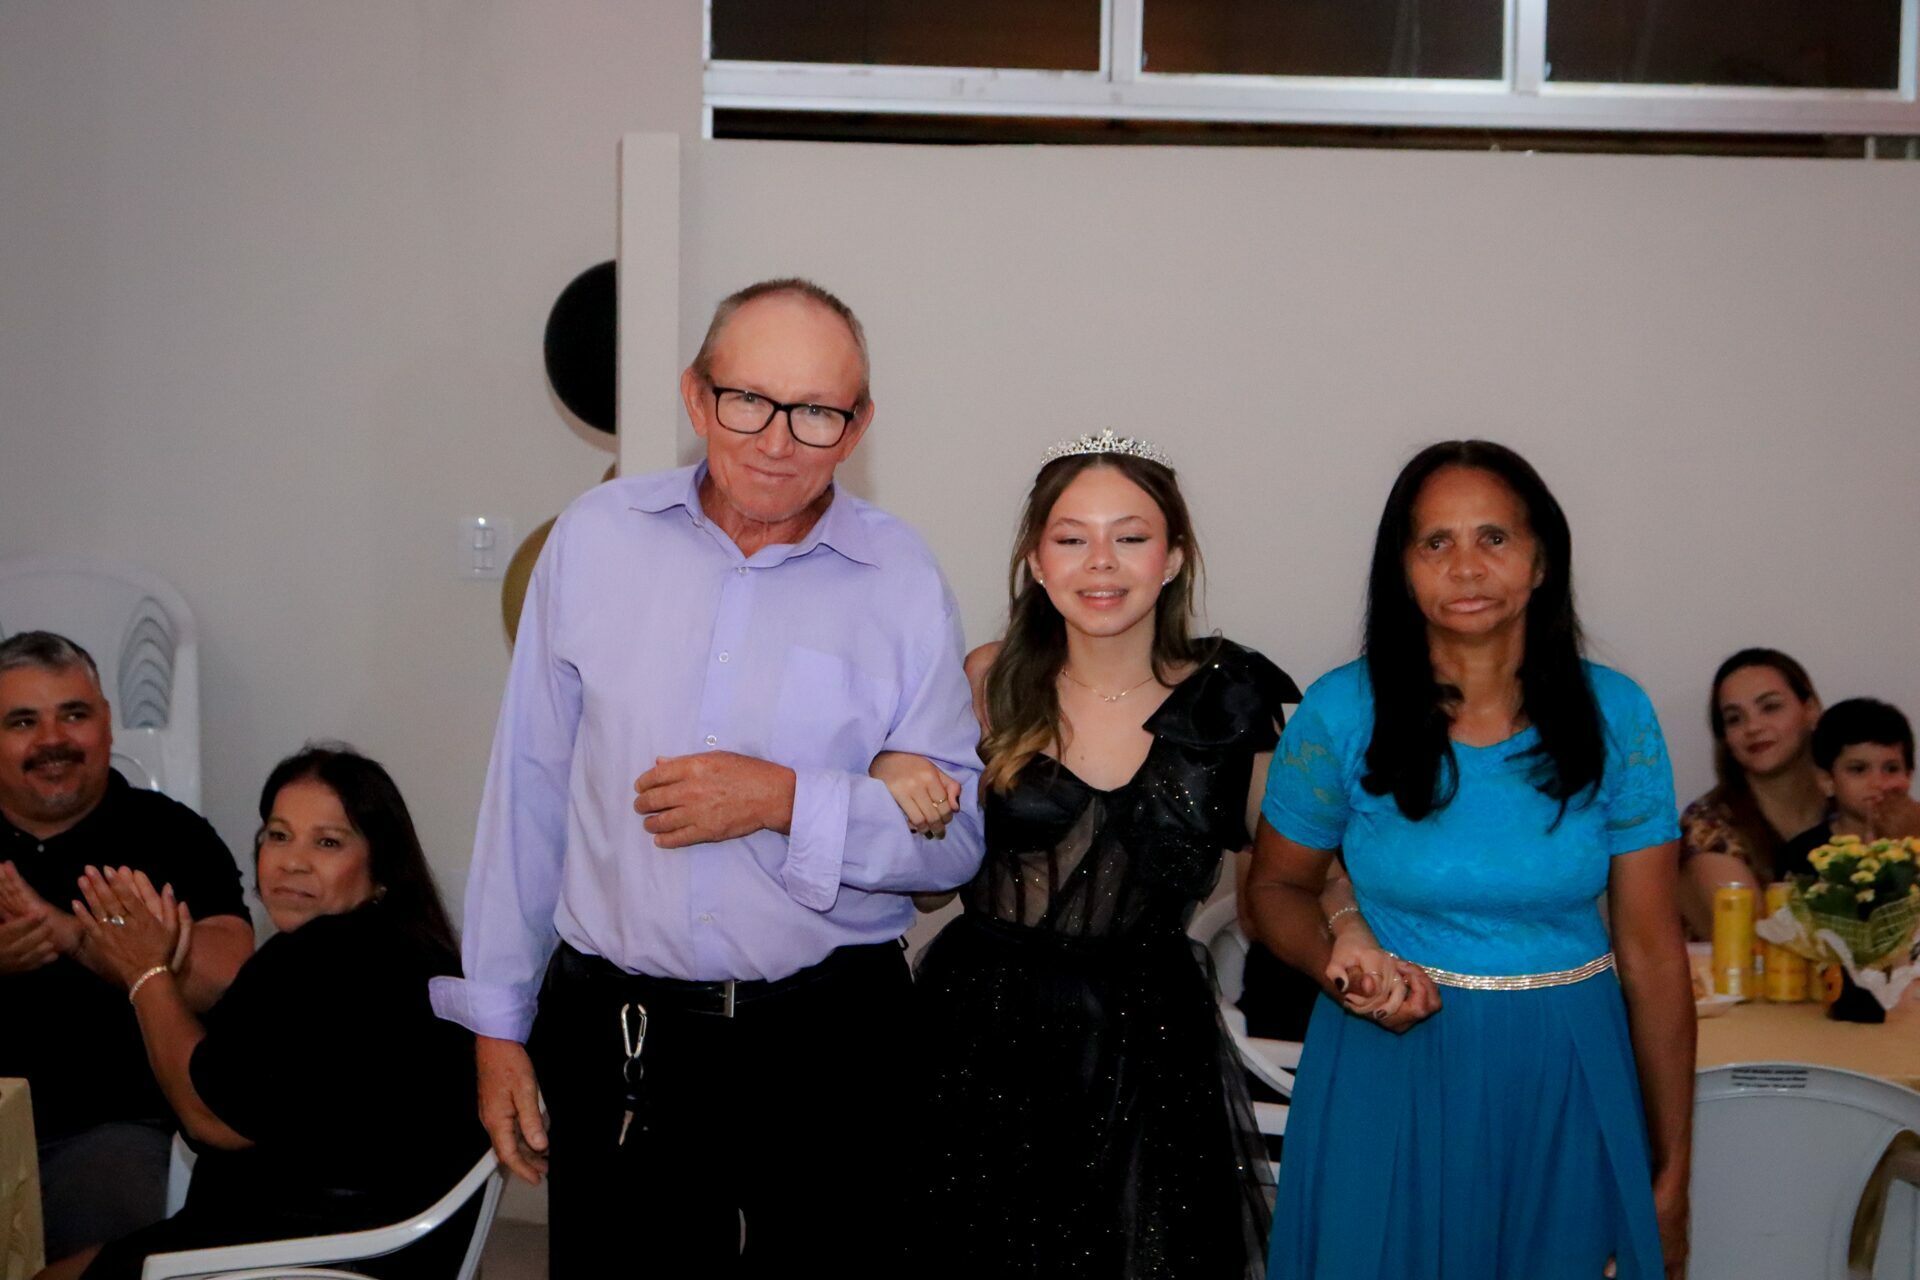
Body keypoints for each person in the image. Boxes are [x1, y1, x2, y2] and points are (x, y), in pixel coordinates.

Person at [431, 278, 985, 1278]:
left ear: (858, 425)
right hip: (623, 1038)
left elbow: (954, 843)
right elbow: (527, 793)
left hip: (832, 1042)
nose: (777, 440)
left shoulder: (901, 581)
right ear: (696, 396)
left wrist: (783, 798)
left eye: (815, 412)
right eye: (748, 400)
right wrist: (498, 1026)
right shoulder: (594, 540)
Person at [873, 433, 1331, 1279]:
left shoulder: (1234, 699)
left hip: (1148, 1044)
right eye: (1071, 537)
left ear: (1173, 557)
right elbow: (927, 886)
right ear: (1036, 562)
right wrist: (893, 774)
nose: (1101, 562)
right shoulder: (986, 681)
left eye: (1131, 535)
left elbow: (1302, 875)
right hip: (980, 1034)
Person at [1247, 440, 1695, 1280]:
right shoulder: (1342, 710)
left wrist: (1672, 1172)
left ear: (1540, 560)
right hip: (1388, 1064)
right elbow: (1273, 887)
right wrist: (1342, 965)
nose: (1466, 567)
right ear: (1403, 568)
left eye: (1494, 537)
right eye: (1436, 542)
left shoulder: (1618, 715)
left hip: (1569, 1071)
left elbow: (1653, 954)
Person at [36, 745, 483, 1280]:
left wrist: (144, 973)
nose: (293, 861)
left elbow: (212, 1119)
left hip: (310, 1254)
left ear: (382, 865)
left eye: (328, 842)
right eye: (278, 835)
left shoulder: (321, 959)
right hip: (389, 1244)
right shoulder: (407, 945)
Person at [0, 631, 252, 1264]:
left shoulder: (169, 834)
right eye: (23, 722)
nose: (52, 740)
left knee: (111, 1250)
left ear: (107, 724)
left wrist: (81, 937)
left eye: (73, 715)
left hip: (112, 1132)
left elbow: (230, 977)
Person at [1677, 648, 1826, 936]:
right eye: (1734, 718)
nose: (1753, 727)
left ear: (1811, 710)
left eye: (1770, 707)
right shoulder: (1707, 826)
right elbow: (1752, 941)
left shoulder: (1848, 808)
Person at [1790, 698, 1920, 859]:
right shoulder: (1805, 853)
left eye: (1891, 769)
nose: (1878, 782)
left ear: (1908, 775)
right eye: (1858, 769)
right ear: (1827, 781)